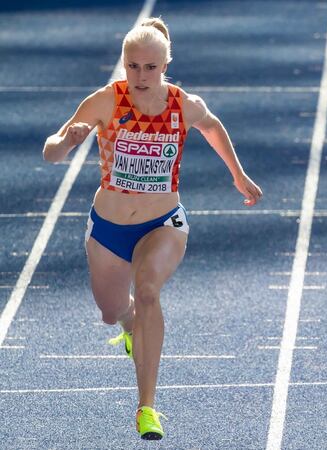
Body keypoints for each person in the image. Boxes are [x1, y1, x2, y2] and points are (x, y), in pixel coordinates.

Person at [42, 17, 262, 440]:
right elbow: (50, 150)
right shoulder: (107, 101)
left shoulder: (184, 104)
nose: (140, 76)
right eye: (132, 66)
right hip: (108, 228)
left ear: (165, 66)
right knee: (111, 310)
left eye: (150, 68)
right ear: (124, 65)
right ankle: (126, 324)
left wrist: (237, 173)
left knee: (147, 292)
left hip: (163, 224)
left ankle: (147, 408)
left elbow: (212, 125)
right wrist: (68, 141)